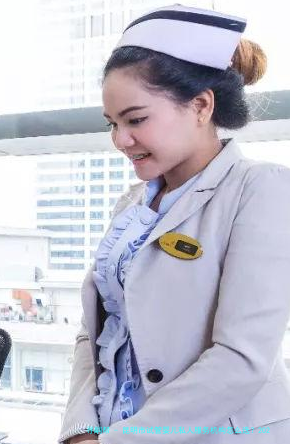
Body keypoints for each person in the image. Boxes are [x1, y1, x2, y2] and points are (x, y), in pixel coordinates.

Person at [59, 4, 290, 444]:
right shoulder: (130, 206)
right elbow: (97, 332)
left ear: (200, 105)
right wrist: (81, 430)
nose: (120, 140)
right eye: (113, 124)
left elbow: (241, 358)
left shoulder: (261, 190)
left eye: (136, 119)